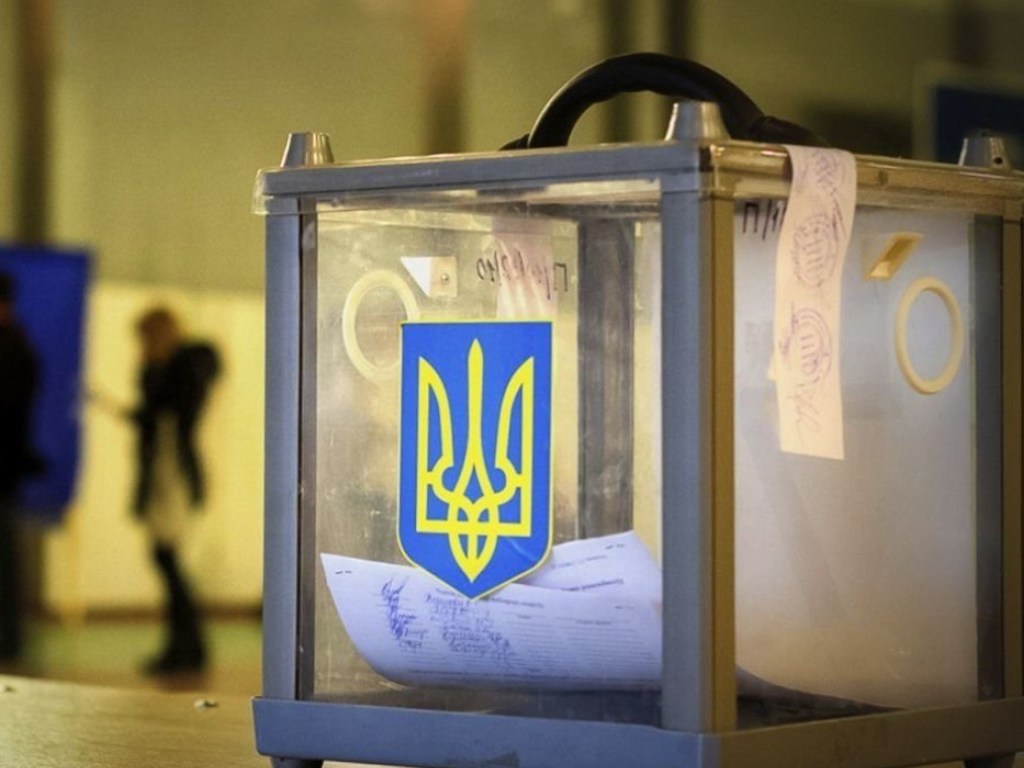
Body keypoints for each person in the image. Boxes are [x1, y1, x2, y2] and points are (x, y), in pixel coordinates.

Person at [131, 306, 219, 675]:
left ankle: (187, 645)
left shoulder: (180, 370)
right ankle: (186, 645)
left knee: (167, 559)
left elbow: (167, 417)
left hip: (173, 477)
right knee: (167, 560)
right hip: (167, 475)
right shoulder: (171, 372)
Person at [0, 272, 42, 663]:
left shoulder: (14, 350)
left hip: (5, 471)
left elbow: (14, 414)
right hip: (9, 468)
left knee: (6, 559)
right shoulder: (18, 347)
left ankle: (9, 638)